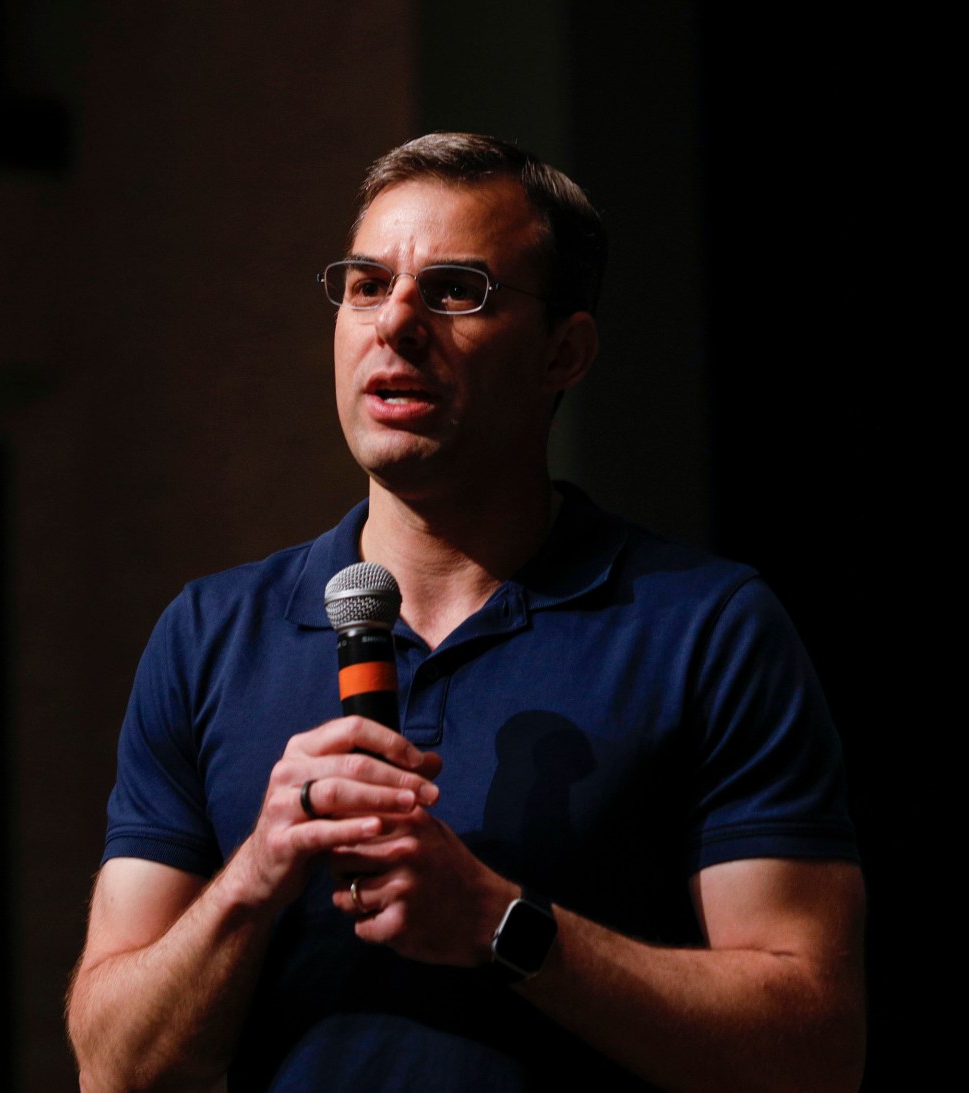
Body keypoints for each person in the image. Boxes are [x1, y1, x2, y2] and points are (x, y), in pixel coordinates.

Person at [65, 133, 864, 1091]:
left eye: (455, 290)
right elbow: (113, 1066)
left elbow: (814, 1049)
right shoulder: (207, 637)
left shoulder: (708, 628)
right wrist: (256, 873)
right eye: (365, 284)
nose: (394, 323)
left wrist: (501, 926)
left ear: (563, 351)